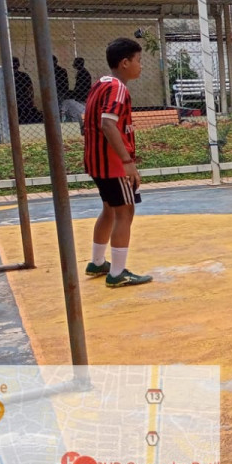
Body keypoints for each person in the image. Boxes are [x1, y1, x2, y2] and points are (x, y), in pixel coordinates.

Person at [83, 37, 153, 288]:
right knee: (126, 212)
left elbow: (90, 122)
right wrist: (127, 161)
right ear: (125, 63)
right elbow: (107, 123)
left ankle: (97, 261)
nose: (140, 65)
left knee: (110, 209)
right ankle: (117, 273)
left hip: (97, 161)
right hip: (113, 164)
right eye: (138, 60)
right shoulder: (118, 89)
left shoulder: (100, 84)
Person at [12, 57, 42, 124]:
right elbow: (30, 89)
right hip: (23, 99)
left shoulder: (8, 76)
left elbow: (30, 89)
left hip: (18, 99)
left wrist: (30, 99)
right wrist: (31, 99)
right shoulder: (23, 75)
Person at [52, 55, 71, 120]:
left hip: (58, 91)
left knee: (59, 106)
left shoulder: (54, 71)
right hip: (60, 91)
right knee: (60, 106)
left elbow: (65, 82)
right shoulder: (61, 70)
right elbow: (66, 82)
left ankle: (59, 119)